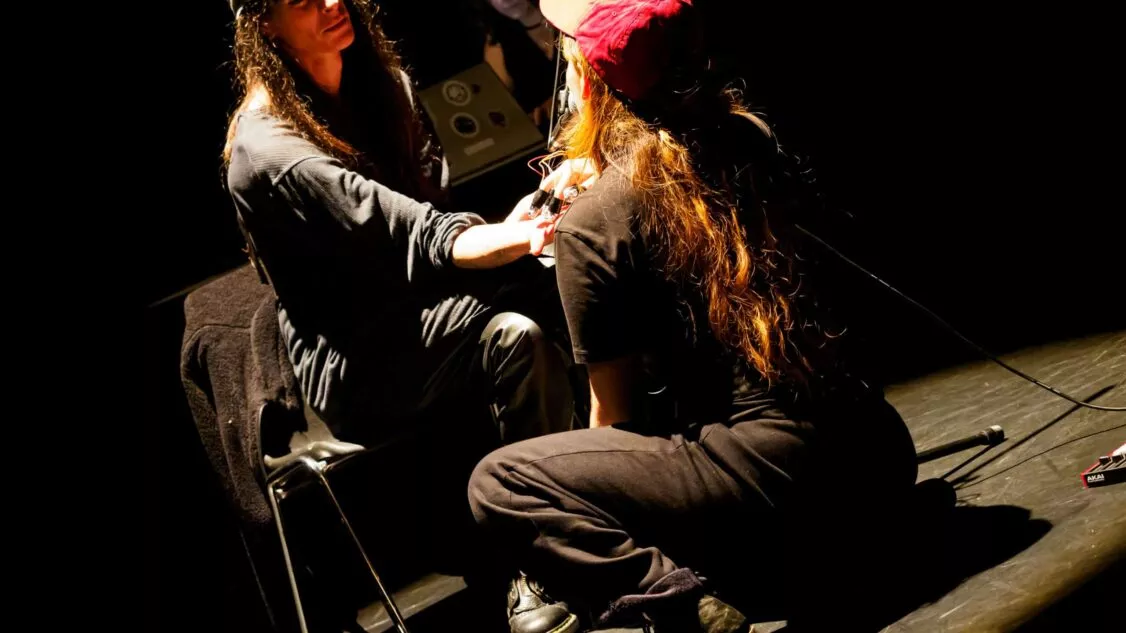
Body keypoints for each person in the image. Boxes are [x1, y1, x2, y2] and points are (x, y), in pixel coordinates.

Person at [467, 1, 920, 632]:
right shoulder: (750, 137)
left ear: (589, 83)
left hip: (779, 487)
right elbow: (675, 157)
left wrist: (594, 208)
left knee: (502, 481)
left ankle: (677, 604)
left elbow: (615, 421)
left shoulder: (595, 222)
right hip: (878, 457)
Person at [222, 0, 581, 450]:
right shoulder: (270, 153)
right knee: (521, 320)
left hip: (423, 296)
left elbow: (430, 212)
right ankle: (545, 486)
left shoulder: (386, 87)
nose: (331, 3)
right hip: (357, 353)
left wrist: (513, 229)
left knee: (560, 278)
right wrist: (517, 236)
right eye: (302, 2)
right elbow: (415, 234)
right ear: (265, 24)